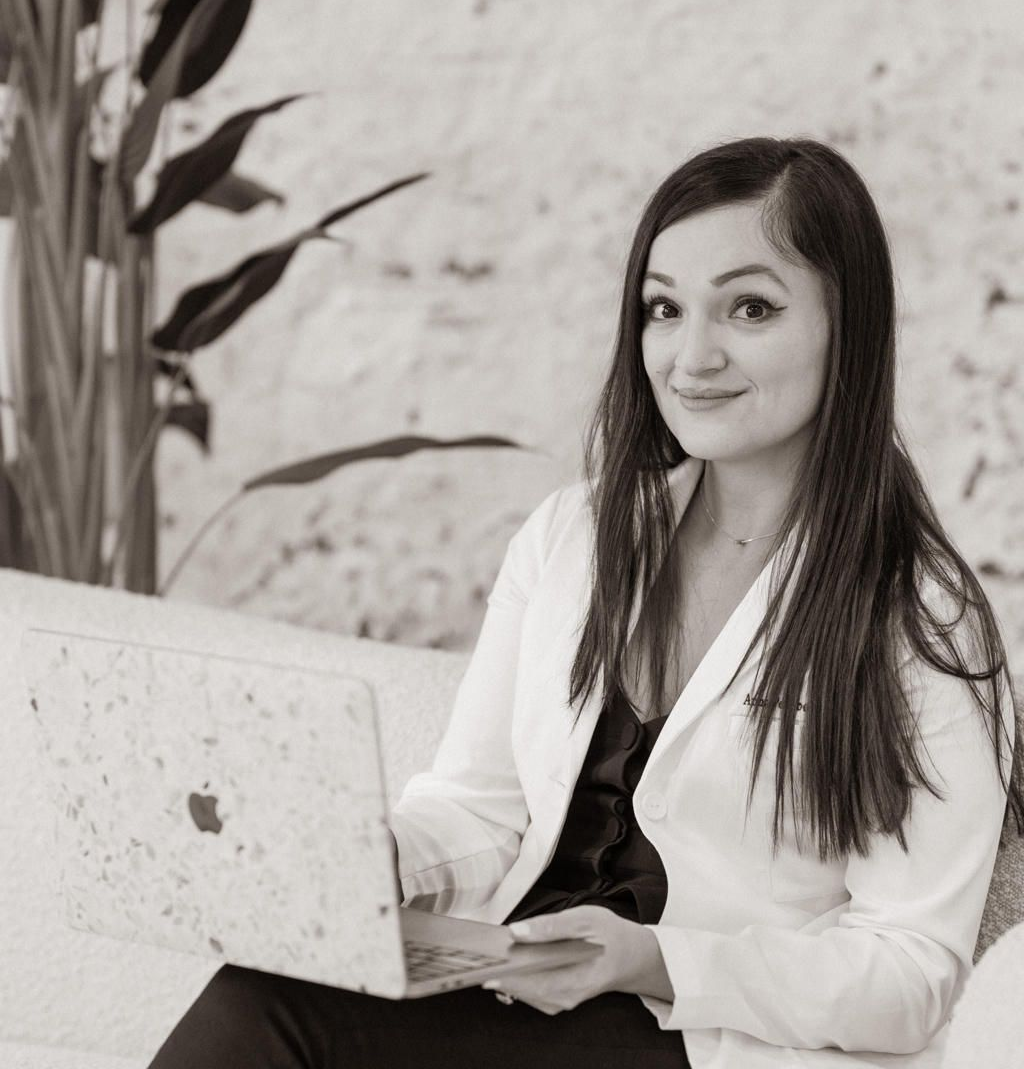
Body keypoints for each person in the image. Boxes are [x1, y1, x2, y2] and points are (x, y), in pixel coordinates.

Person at [146, 136, 1022, 1069]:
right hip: (518, 989)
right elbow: (478, 809)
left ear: (849, 327)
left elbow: (912, 975)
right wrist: (372, 863)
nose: (692, 355)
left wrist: (652, 959)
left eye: (751, 308)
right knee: (264, 989)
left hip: (706, 1037)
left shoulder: (918, 616)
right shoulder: (575, 536)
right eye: (663, 308)